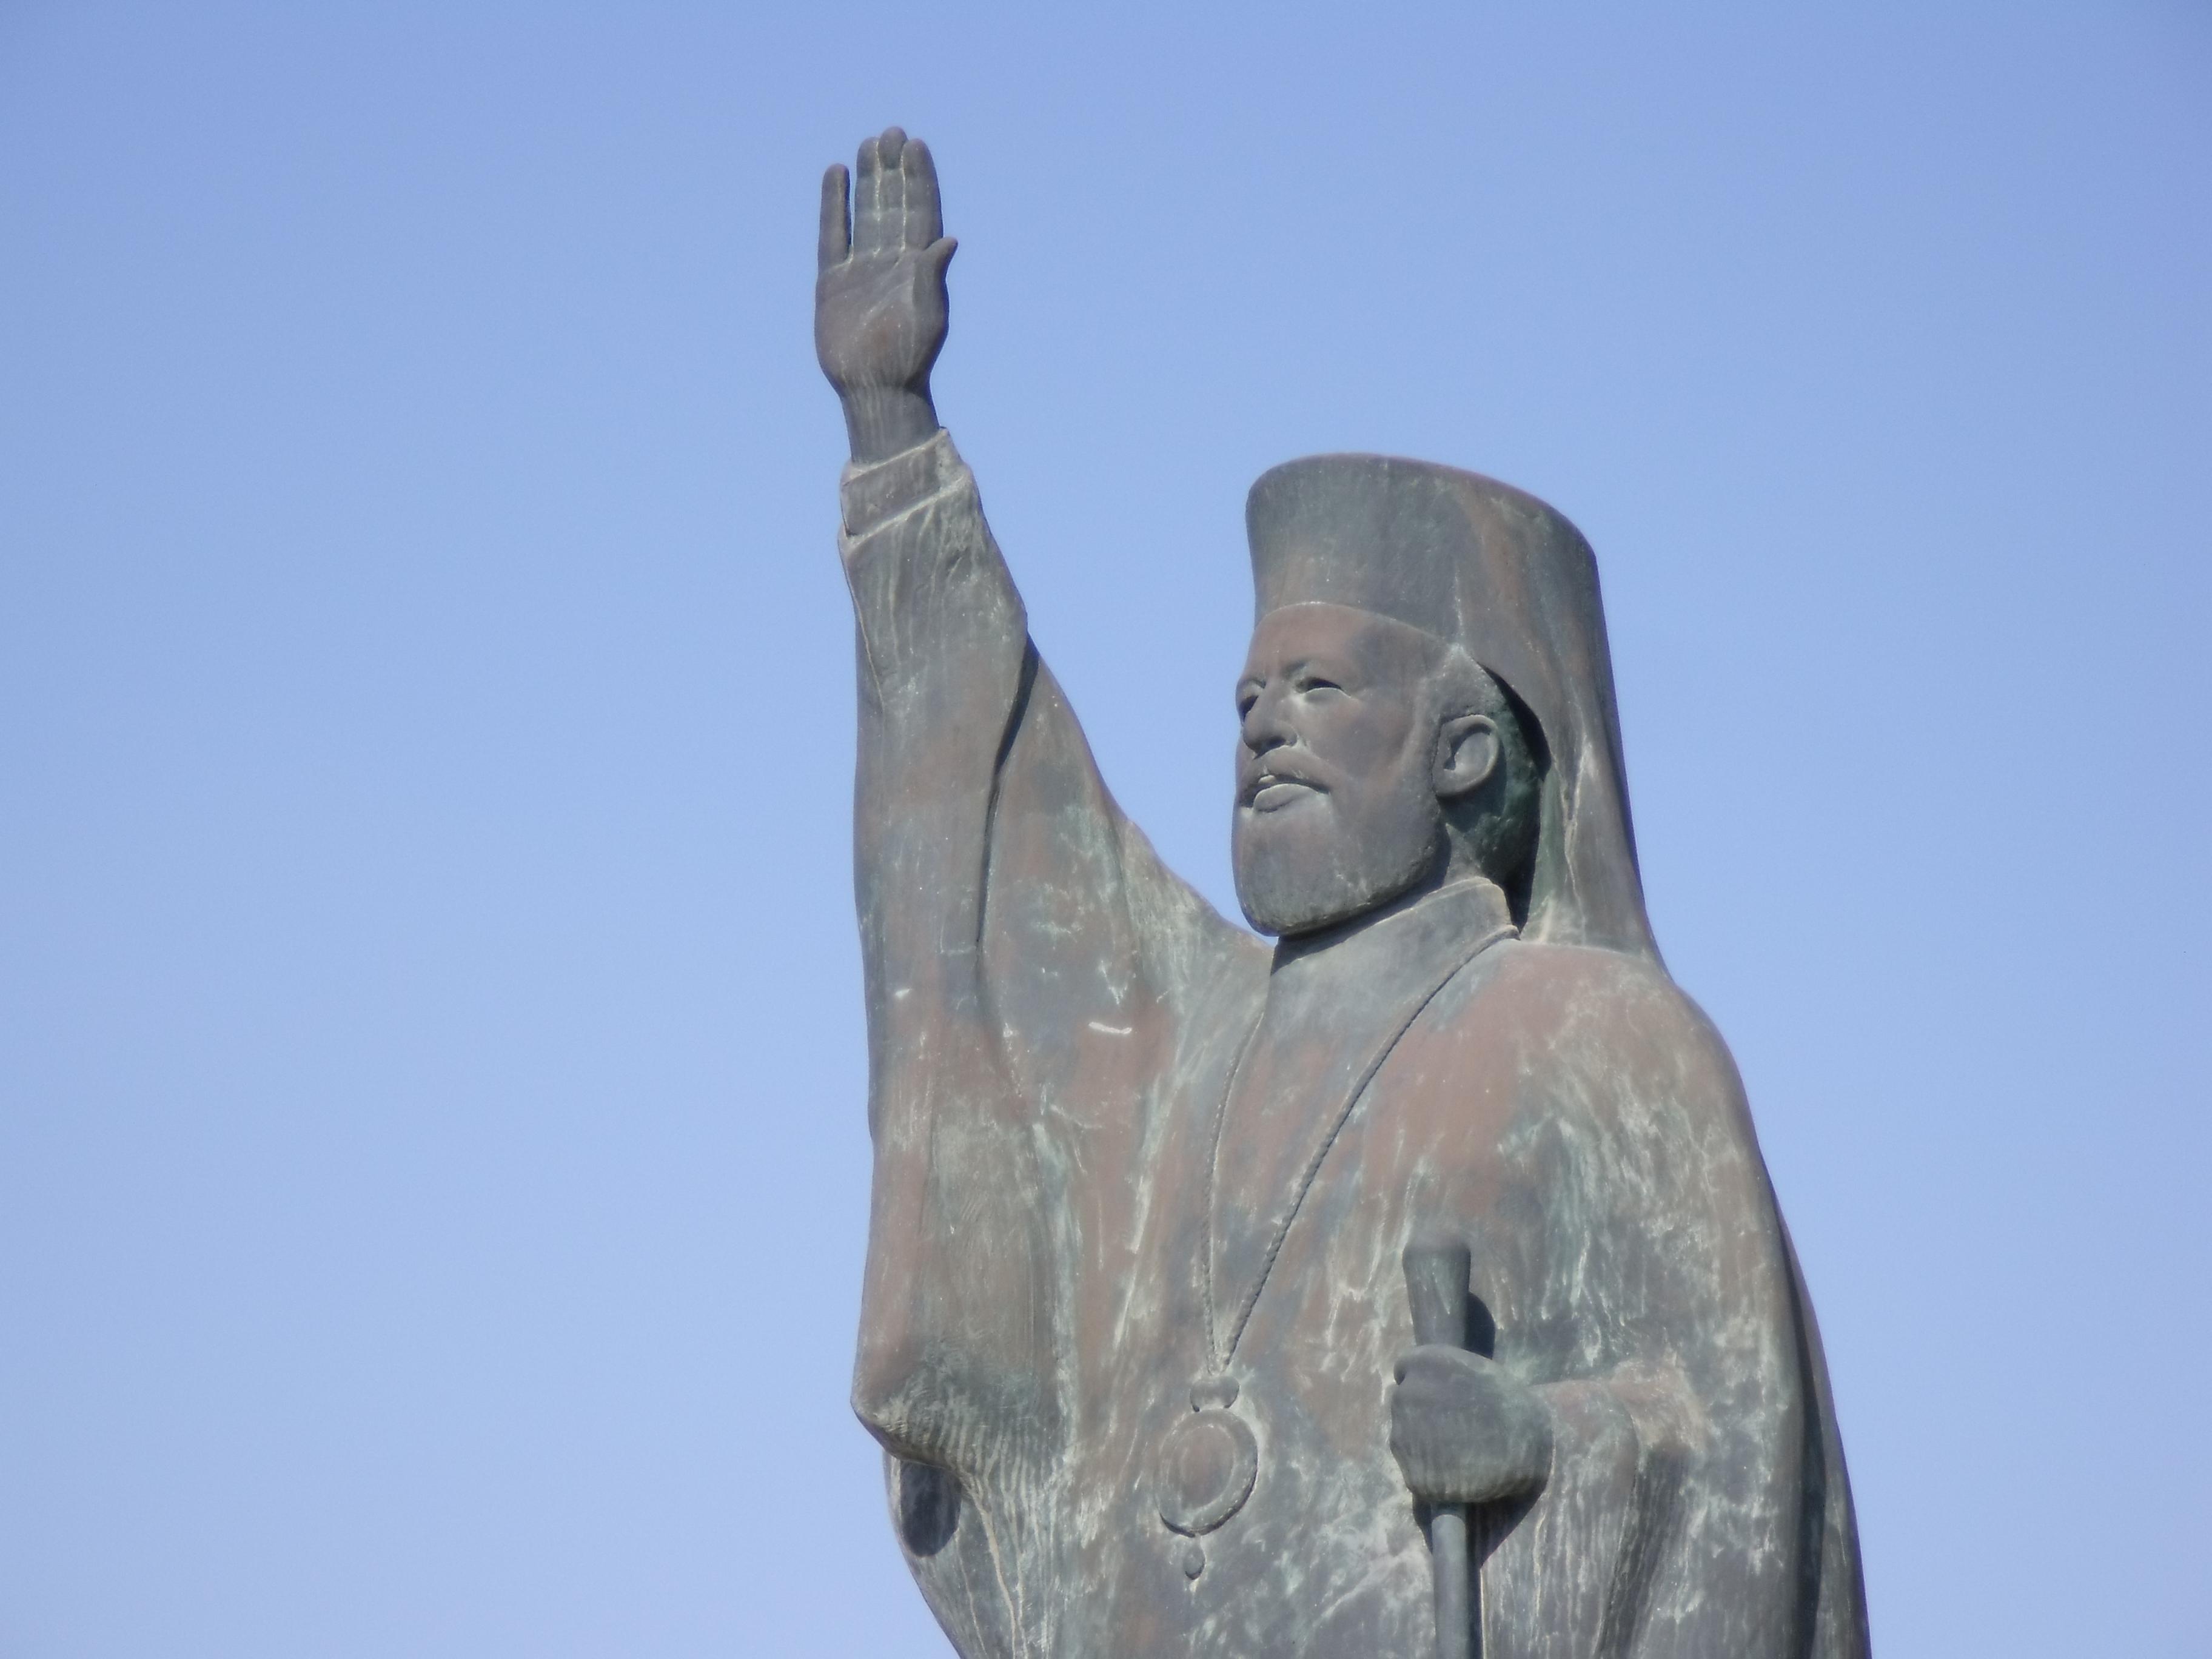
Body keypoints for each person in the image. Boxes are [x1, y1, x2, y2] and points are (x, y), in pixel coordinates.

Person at [815, 126, 1868, 1659]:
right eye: (1248, 694)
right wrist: (896, 437)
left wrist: (1543, 1440)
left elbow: (1736, 1440)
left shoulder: (1608, 1040)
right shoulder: (1183, 1039)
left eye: (1317, 686)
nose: (1262, 721)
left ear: (1460, 749)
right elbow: (999, 804)